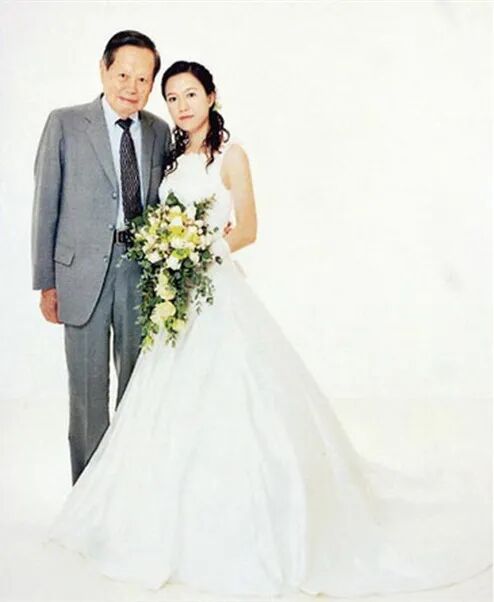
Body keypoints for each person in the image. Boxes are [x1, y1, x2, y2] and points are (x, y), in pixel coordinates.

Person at [47, 61, 491, 597]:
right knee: (159, 397)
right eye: (173, 97)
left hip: (212, 287)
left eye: (191, 94)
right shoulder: (169, 156)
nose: (181, 106)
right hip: (175, 295)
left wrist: (194, 250)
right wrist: (168, 251)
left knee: (233, 397)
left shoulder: (232, 156)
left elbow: (249, 229)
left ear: (212, 96)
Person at [31, 31, 171, 484]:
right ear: (103, 70)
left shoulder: (158, 131)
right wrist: (46, 282)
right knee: (88, 392)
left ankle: (128, 491)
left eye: (143, 79)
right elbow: (45, 205)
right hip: (80, 275)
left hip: (140, 272)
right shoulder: (66, 123)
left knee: (138, 387)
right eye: (123, 74)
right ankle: (88, 496)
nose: (132, 86)